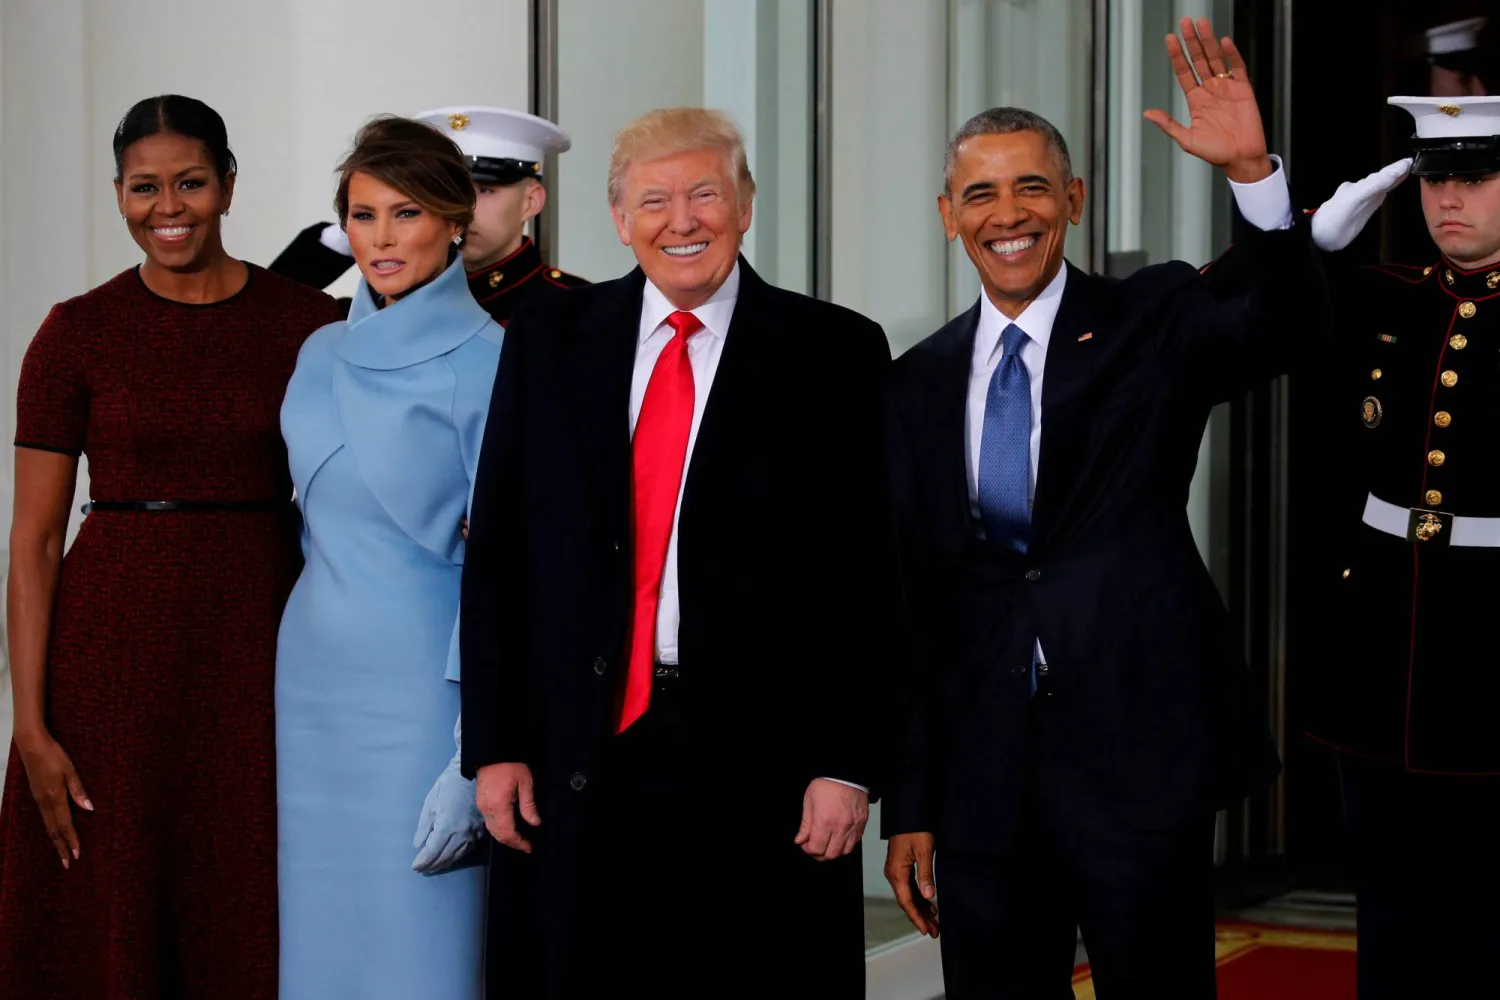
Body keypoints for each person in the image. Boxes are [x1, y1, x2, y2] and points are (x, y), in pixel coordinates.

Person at [880, 18, 1324, 998]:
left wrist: (1254, 176)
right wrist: (908, 803)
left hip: (1139, 756)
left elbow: (1278, 325)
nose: (1010, 213)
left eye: (1033, 186)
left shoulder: (1152, 318)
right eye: (982, 193)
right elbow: (912, 608)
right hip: (983, 777)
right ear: (948, 215)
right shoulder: (911, 384)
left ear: (1073, 202)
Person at [460, 107, 894, 998]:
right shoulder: (550, 339)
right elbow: (501, 553)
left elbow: (866, 577)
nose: (681, 220)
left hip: (765, 759)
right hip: (580, 748)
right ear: (620, 221)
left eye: (705, 194)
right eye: (653, 201)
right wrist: (496, 745)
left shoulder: (835, 351)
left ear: (746, 205)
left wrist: (845, 761)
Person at [0, 95, 342, 999]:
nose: (169, 207)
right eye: (144, 188)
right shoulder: (75, 331)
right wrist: (30, 725)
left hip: (260, 635)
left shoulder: (310, 324)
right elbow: (33, 540)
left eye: (189, 182)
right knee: (115, 892)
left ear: (228, 184)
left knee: (247, 885)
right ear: (118, 195)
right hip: (110, 654)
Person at [1208, 95, 1500, 1000]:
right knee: (1393, 918)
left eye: (1477, 177)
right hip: (1381, 654)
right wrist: (1305, 237)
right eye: (1435, 177)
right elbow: (1239, 315)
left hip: (1494, 655)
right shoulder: (1379, 297)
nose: (1450, 197)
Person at [275, 115, 500, 1000]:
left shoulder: (494, 362)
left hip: (422, 691)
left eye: (405, 214)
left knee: (422, 948)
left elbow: (506, 569)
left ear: (453, 220)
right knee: (321, 938)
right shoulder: (315, 350)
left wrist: (472, 746)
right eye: (362, 216)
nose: (382, 239)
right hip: (312, 685)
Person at [269, 105, 587, 322]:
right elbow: (265, 311)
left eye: (485, 190)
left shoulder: (574, 306)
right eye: (432, 197)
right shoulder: (387, 299)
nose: (464, 206)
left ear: (531, 201)